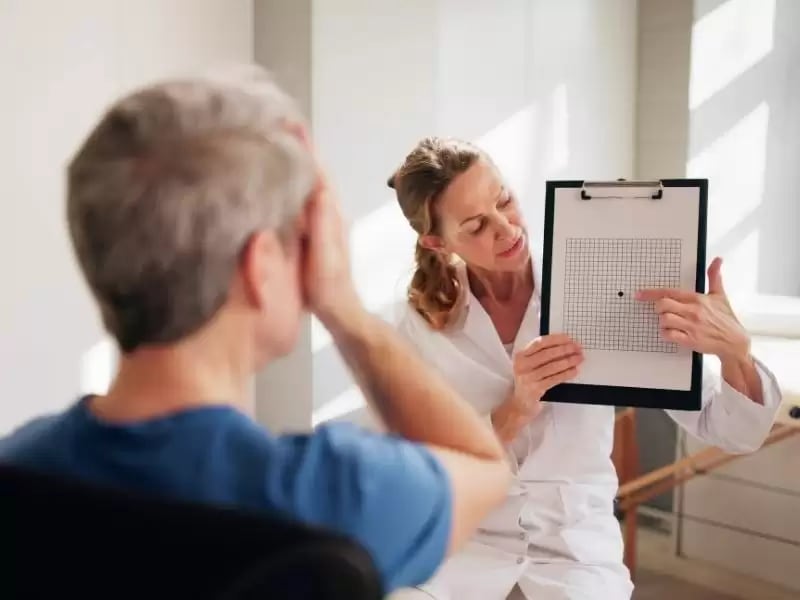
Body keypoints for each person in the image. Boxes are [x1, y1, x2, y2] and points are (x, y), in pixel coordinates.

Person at [0, 68, 513, 595]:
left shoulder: (17, 467)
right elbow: (483, 466)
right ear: (260, 265)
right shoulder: (337, 499)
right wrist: (345, 309)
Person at [387, 137, 783, 600]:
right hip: (464, 547)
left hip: (573, 550)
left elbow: (733, 432)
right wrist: (511, 413)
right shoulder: (419, 324)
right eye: (476, 225)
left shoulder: (601, 288)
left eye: (504, 200)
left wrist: (735, 351)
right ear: (437, 243)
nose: (506, 228)